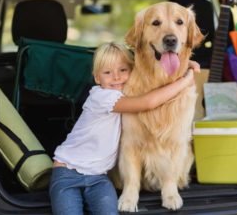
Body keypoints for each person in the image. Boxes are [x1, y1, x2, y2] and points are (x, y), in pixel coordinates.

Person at [49, 42, 200, 215]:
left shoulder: (125, 93)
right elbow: (148, 102)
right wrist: (185, 80)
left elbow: (148, 64)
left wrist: (180, 63)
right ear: (97, 78)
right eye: (107, 72)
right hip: (67, 173)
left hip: (98, 177)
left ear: (133, 71)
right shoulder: (101, 96)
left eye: (123, 70)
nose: (116, 77)